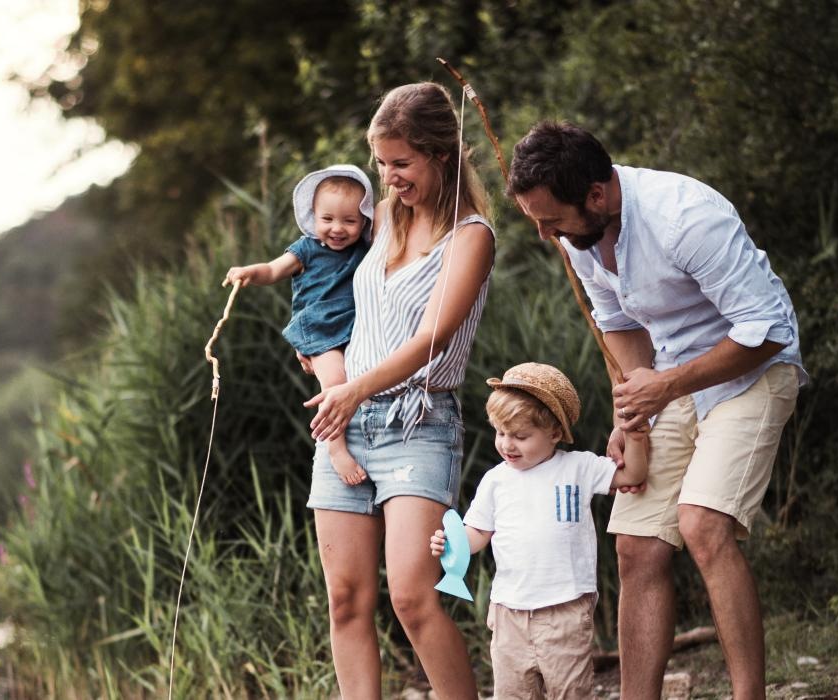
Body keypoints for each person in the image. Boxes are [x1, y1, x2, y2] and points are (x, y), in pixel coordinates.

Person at [506, 121, 807, 700]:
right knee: (636, 543)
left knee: (702, 524)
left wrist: (664, 387)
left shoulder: (686, 217)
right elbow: (618, 326)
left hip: (754, 372)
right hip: (672, 381)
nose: (545, 235)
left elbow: (765, 330)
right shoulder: (583, 237)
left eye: (551, 219)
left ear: (597, 195)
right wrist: (632, 417)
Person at [301, 81, 495, 700]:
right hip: (345, 426)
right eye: (382, 163)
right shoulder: (378, 219)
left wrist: (353, 388)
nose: (388, 178)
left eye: (401, 163)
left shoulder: (471, 236)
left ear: (441, 154)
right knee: (346, 601)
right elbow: (318, 272)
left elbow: (431, 339)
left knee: (413, 597)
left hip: (420, 422)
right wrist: (316, 346)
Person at [428, 362, 647, 699]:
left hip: (566, 610)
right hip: (508, 613)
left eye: (521, 436)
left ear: (555, 433)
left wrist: (634, 434)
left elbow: (631, 475)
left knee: (571, 692)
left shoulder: (579, 467)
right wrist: (453, 543)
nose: (507, 445)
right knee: (514, 692)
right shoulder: (496, 480)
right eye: (501, 432)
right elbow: (478, 532)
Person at [227, 164, 377, 485]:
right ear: (313, 216)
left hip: (355, 331)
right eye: (327, 219)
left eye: (349, 221)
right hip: (320, 331)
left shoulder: (365, 251)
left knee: (361, 379)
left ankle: (365, 435)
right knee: (335, 382)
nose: (337, 228)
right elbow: (272, 270)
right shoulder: (306, 249)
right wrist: (248, 273)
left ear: (364, 219)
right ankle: (336, 448)